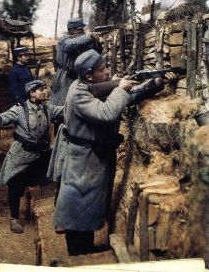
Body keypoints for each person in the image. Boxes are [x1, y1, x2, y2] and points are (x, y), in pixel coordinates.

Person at [53, 49, 176, 255]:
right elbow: (108, 112)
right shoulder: (79, 94)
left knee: (87, 208)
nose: (108, 73)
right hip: (84, 160)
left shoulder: (86, 85)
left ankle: (84, 249)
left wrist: (157, 83)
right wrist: (120, 88)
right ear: (89, 75)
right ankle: (78, 257)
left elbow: (127, 96)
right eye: (103, 70)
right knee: (78, 209)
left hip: (92, 157)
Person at [0, 79, 63, 233]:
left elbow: (66, 110)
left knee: (54, 177)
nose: (44, 92)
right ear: (32, 93)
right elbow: (0, 120)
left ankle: (52, 215)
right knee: (15, 187)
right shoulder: (19, 109)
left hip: (40, 156)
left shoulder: (48, 109)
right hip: (20, 156)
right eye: (41, 90)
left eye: (44, 89)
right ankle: (14, 219)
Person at [50, 17, 102, 106]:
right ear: (72, 30)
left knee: (76, 102)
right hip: (65, 76)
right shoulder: (64, 40)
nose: (82, 30)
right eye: (80, 29)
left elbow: (95, 53)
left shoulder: (82, 40)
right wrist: (88, 36)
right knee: (61, 102)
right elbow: (70, 45)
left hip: (77, 76)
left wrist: (96, 41)